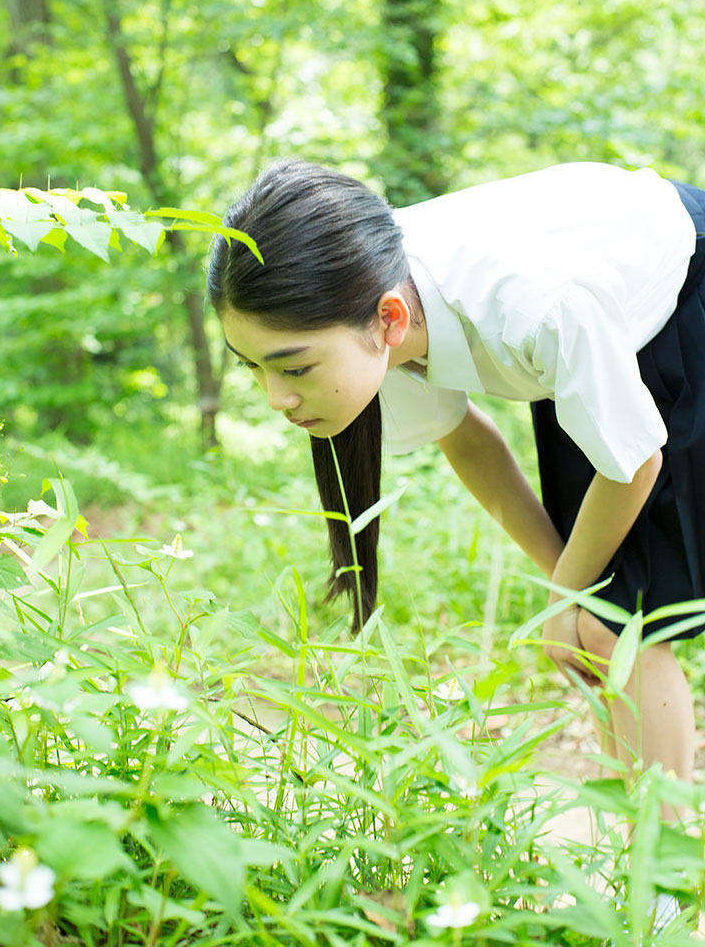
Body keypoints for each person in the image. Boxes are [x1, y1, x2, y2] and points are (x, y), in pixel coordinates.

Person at [206, 160, 705, 920]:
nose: (276, 400)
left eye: (293, 367)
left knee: (621, 622)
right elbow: (469, 442)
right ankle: (629, 850)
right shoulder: (375, 306)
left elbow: (634, 461)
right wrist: (561, 597)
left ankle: (665, 891)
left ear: (390, 320)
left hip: (676, 287)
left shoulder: (532, 307)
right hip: (590, 323)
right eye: (255, 370)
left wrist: (572, 600)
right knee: (592, 614)